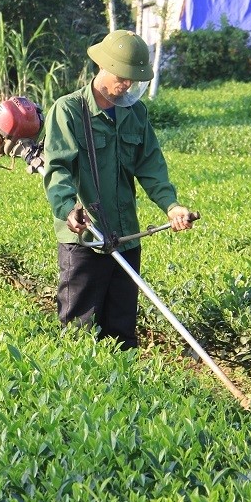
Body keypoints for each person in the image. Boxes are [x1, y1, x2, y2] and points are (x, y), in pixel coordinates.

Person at [42, 30, 194, 350]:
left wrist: (172, 206)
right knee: (80, 333)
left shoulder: (135, 113)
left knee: (122, 331)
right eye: (122, 78)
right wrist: (70, 210)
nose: (126, 86)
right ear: (103, 66)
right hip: (85, 241)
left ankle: (123, 391)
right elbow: (58, 171)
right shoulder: (68, 110)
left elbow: (151, 166)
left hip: (126, 237)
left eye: (132, 80)